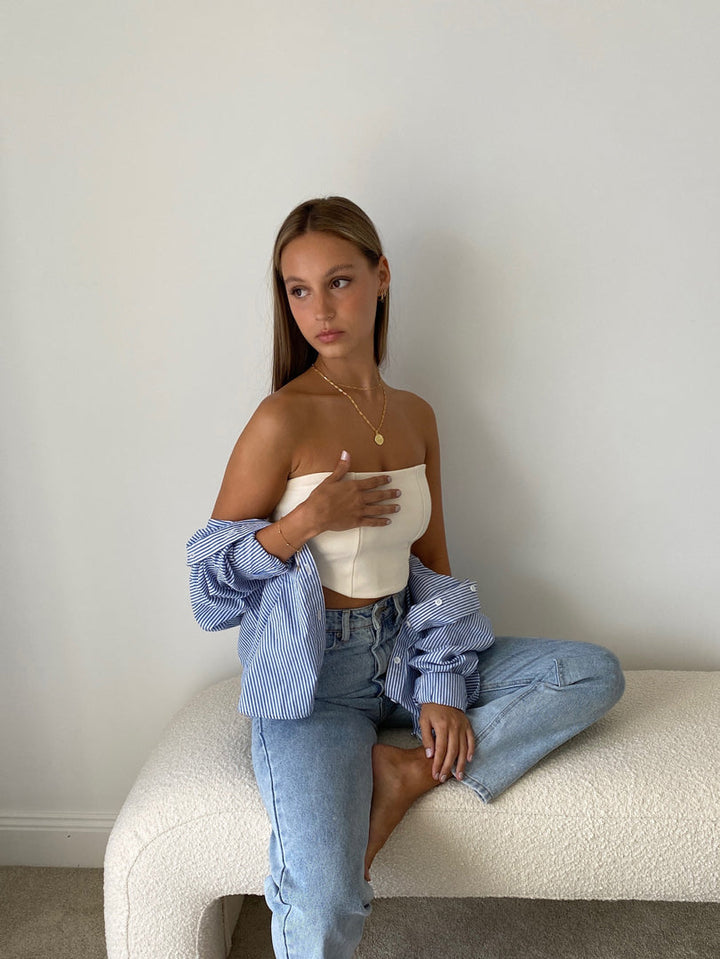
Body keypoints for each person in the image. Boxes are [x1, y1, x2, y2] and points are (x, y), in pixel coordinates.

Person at [187, 196, 625, 959]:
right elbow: (207, 589)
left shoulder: (417, 415)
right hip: (313, 684)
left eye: (339, 281)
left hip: (402, 656)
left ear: (381, 277)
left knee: (589, 672)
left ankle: (405, 773)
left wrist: (442, 686)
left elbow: (436, 568)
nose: (319, 309)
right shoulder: (280, 419)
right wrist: (302, 522)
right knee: (323, 900)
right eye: (298, 290)